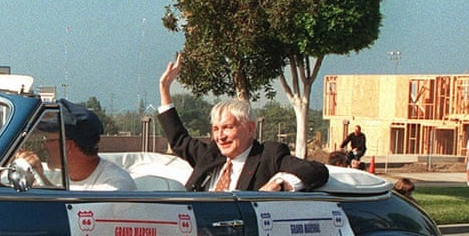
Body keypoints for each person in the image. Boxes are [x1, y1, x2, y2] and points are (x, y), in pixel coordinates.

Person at [157, 54, 328, 192]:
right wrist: (165, 90)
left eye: (227, 128)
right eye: (216, 129)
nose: (220, 136)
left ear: (250, 128)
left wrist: (281, 183)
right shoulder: (211, 155)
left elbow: (317, 171)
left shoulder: (269, 156)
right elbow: (179, 141)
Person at [38, 100, 136, 191]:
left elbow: (67, 208)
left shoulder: (116, 185)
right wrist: (38, 175)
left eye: (49, 140)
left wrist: (43, 180)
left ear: (67, 146)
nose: (43, 146)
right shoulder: (57, 178)